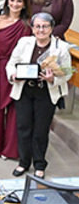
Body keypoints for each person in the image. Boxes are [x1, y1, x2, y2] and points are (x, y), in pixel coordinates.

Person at [6, 12, 71, 178]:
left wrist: (53, 78)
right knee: (23, 127)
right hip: (25, 89)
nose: (41, 30)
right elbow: (11, 63)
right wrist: (13, 75)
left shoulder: (61, 47)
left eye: (45, 26)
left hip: (46, 92)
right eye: (37, 26)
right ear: (32, 28)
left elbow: (68, 72)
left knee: (41, 130)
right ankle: (24, 162)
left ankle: (40, 164)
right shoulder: (24, 42)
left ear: (51, 28)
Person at [0, 0, 32, 159]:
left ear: (24, 4)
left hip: (20, 70)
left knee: (16, 110)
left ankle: (10, 150)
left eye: (19, 1)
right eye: (12, 0)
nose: (15, 4)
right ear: (7, 2)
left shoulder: (28, 24)